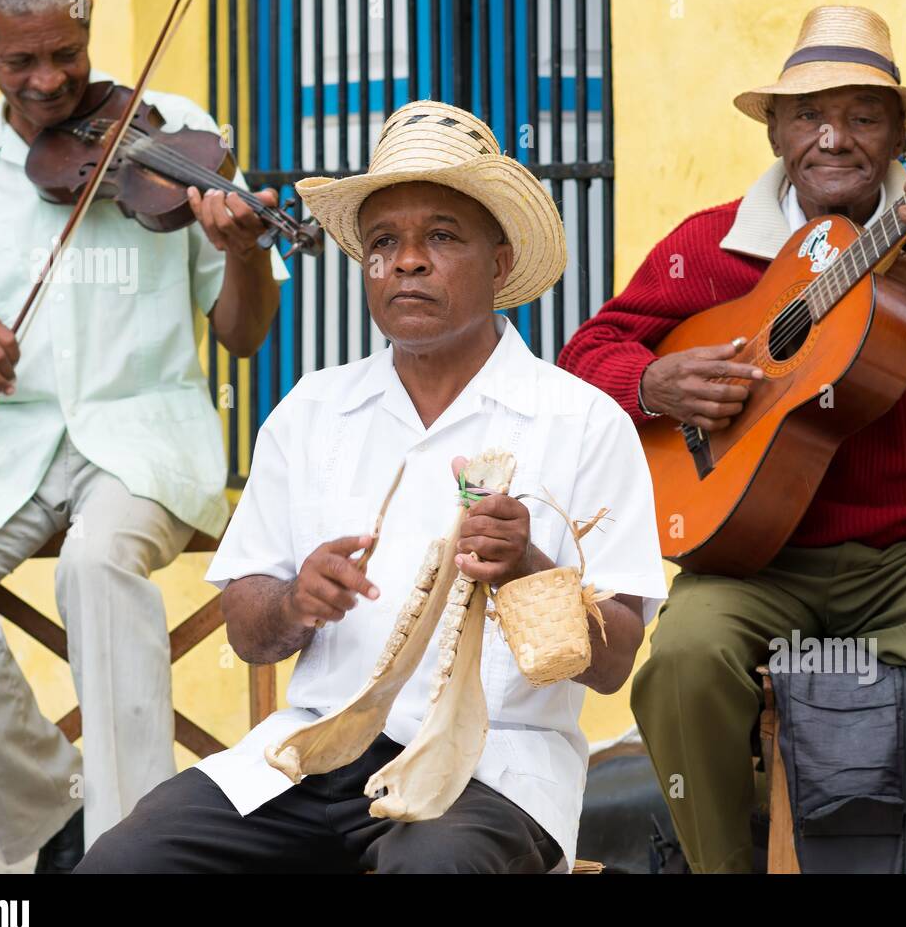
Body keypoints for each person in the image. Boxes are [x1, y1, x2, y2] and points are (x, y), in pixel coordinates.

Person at [557, 5, 906, 873]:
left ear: (897, 135)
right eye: (808, 114)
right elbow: (585, 354)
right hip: (756, 560)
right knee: (682, 659)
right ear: (775, 130)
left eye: (863, 115)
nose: (833, 138)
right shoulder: (711, 249)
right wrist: (653, 383)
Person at [75, 100, 668, 874]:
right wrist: (294, 602)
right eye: (384, 242)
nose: (408, 261)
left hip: (490, 770)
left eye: (442, 237)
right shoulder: (312, 410)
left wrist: (528, 569)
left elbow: (614, 659)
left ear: (498, 259)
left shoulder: (583, 421)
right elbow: (246, 629)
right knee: (124, 865)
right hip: (311, 750)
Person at [0, 0, 287, 871]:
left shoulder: (175, 135)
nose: (47, 80)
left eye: (65, 53)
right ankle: (58, 814)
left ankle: (137, 845)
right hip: (2, 451)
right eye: (20, 58)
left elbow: (244, 335)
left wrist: (242, 249)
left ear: (89, 27)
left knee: (98, 564)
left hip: (143, 442)